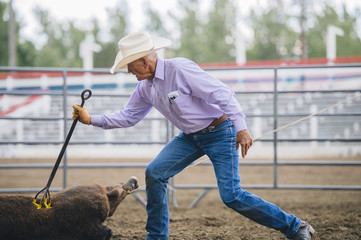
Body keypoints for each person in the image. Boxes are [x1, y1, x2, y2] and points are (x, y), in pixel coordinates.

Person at [73, 31, 315, 240]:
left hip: (220, 132)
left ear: (144, 62)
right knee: (155, 173)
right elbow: (128, 117)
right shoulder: (145, 88)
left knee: (231, 196)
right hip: (190, 137)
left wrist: (241, 127)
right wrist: (90, 119)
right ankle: (157, 236)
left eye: (129, 64)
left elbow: (223, 94)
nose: (128, 70)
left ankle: (296, 226)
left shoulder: (180, 69)